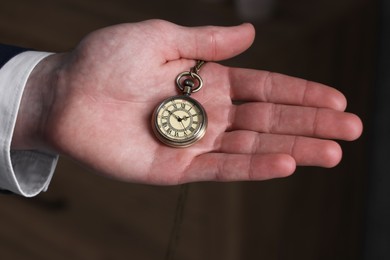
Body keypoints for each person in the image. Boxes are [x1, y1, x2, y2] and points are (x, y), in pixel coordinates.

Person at [0, 20, 363, 197]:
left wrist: (42, 96)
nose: (177, 118)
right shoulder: (178, 107)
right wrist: (49, 95)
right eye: (178, 117)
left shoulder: (182, 106)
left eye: (178, 117)